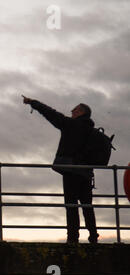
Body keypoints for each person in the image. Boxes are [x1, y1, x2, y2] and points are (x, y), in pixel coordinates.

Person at [22, 95, 99, 244]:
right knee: (87, 206)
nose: (72, 111)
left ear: (81, 112)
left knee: (71, 205)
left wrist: (33, 102)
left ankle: (72, 238)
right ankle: (93, 237)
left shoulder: (71, 125)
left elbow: (51, 113)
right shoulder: (93, 132)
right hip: (87, 173)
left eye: (75, 109)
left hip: (71, 171)